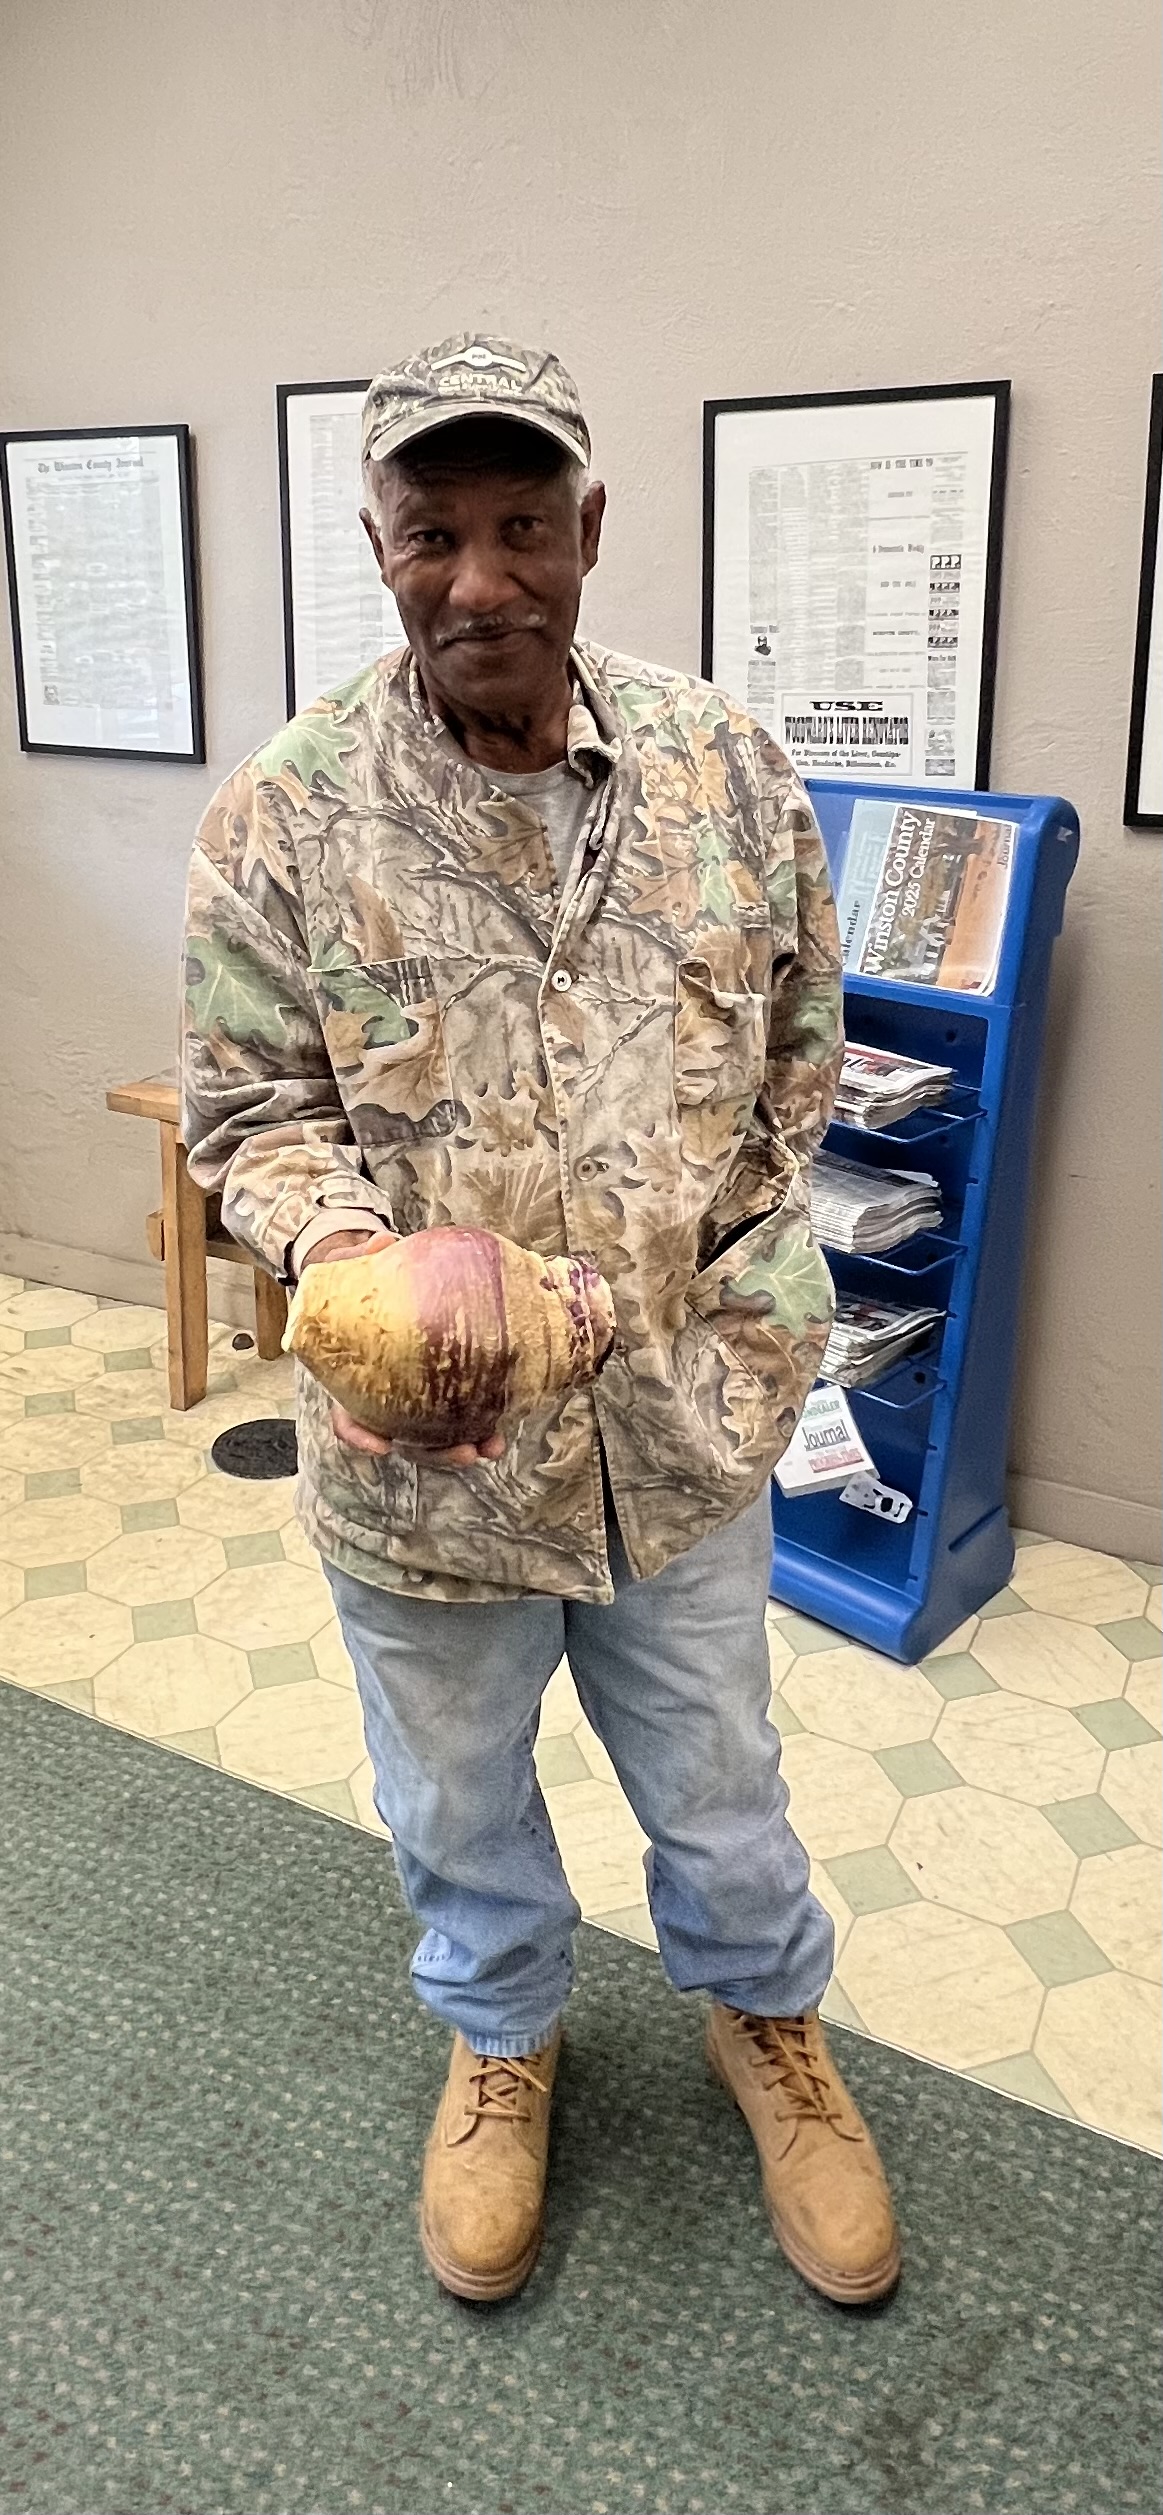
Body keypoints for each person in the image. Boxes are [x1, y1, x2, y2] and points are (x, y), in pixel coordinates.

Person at [181, 333, 899, 2308]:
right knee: (453, 1799)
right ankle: (501, 2039)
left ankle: (768, 2023)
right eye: (434, 533)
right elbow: (252, 1116)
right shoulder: (286, 816)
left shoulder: (727, 771)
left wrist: (699, 1303)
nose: (481, 578)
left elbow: (801, 1058)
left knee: (721, 1783)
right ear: (378, 545)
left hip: (679, 1426)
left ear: (590, 528)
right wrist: (358, 1276)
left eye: (523, 527)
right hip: (424, 1471)